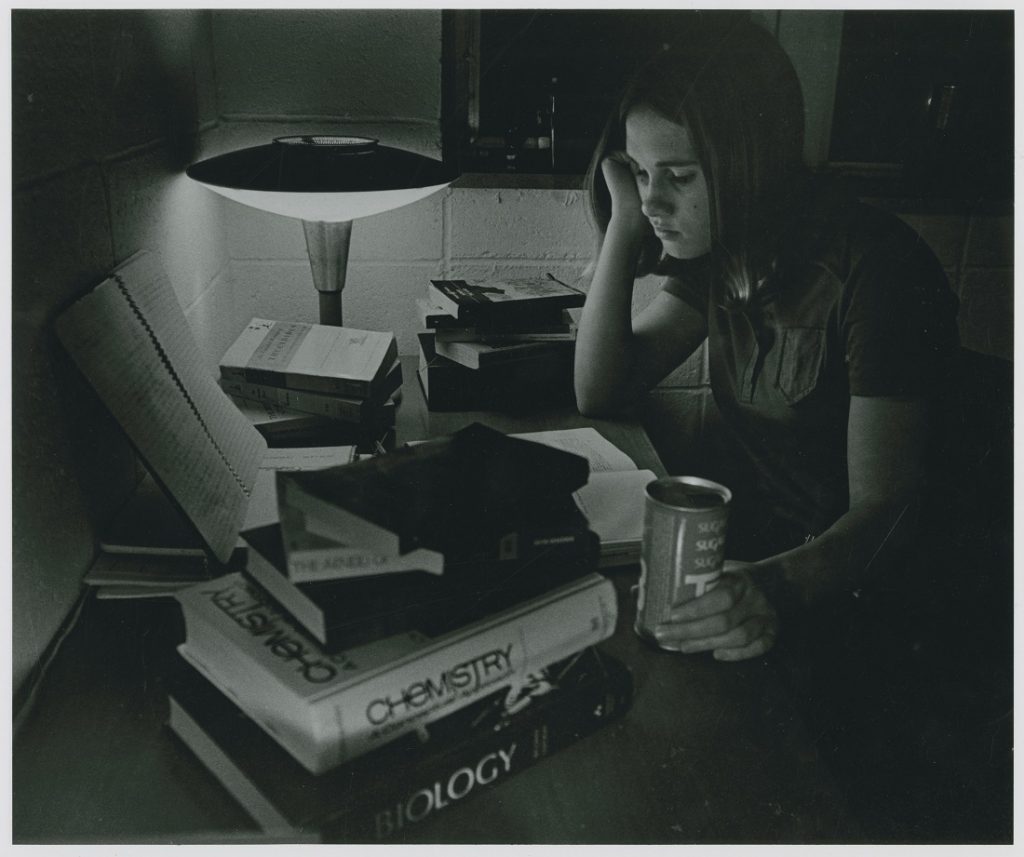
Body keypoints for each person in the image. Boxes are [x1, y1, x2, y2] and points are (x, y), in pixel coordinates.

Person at [574, 20, 961, 665]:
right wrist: (621, 225)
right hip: (756, 567)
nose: (654, 201)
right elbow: (601, 388)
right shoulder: (724, 252)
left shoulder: (878, 270)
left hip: (857, 600)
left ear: (750, 161)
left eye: (679, 176)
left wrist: (771, 585)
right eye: (641, 172)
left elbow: (888, 513)